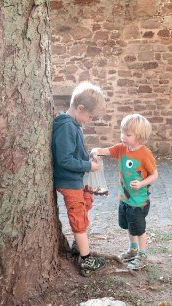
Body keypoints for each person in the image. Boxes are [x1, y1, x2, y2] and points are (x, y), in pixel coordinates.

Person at [51, 81, 106, 276]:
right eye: (90, 116)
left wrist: (88, 156)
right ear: (80, 108)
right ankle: (85, 259)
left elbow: (76, 152)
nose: (89, 120)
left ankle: (78, 243)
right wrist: (88, 166)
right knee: (79, 217)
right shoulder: (66, 126)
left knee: (87, 203)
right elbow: (65, 159)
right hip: (69, 181)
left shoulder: (75, 123)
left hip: (78, 180)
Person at [91, 114, 158, 270]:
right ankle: (132, 249)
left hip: (138, 202)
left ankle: (142, 255)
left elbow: (154, 174)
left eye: (128, 135)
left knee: (139, 229)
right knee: (128, 226)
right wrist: (96, 151)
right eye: (122, 133)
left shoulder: (144, 154)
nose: (123, 137)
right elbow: (106, 151)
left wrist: (141, 183)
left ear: (139, 137)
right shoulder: (121, 149)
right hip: (125, 199)